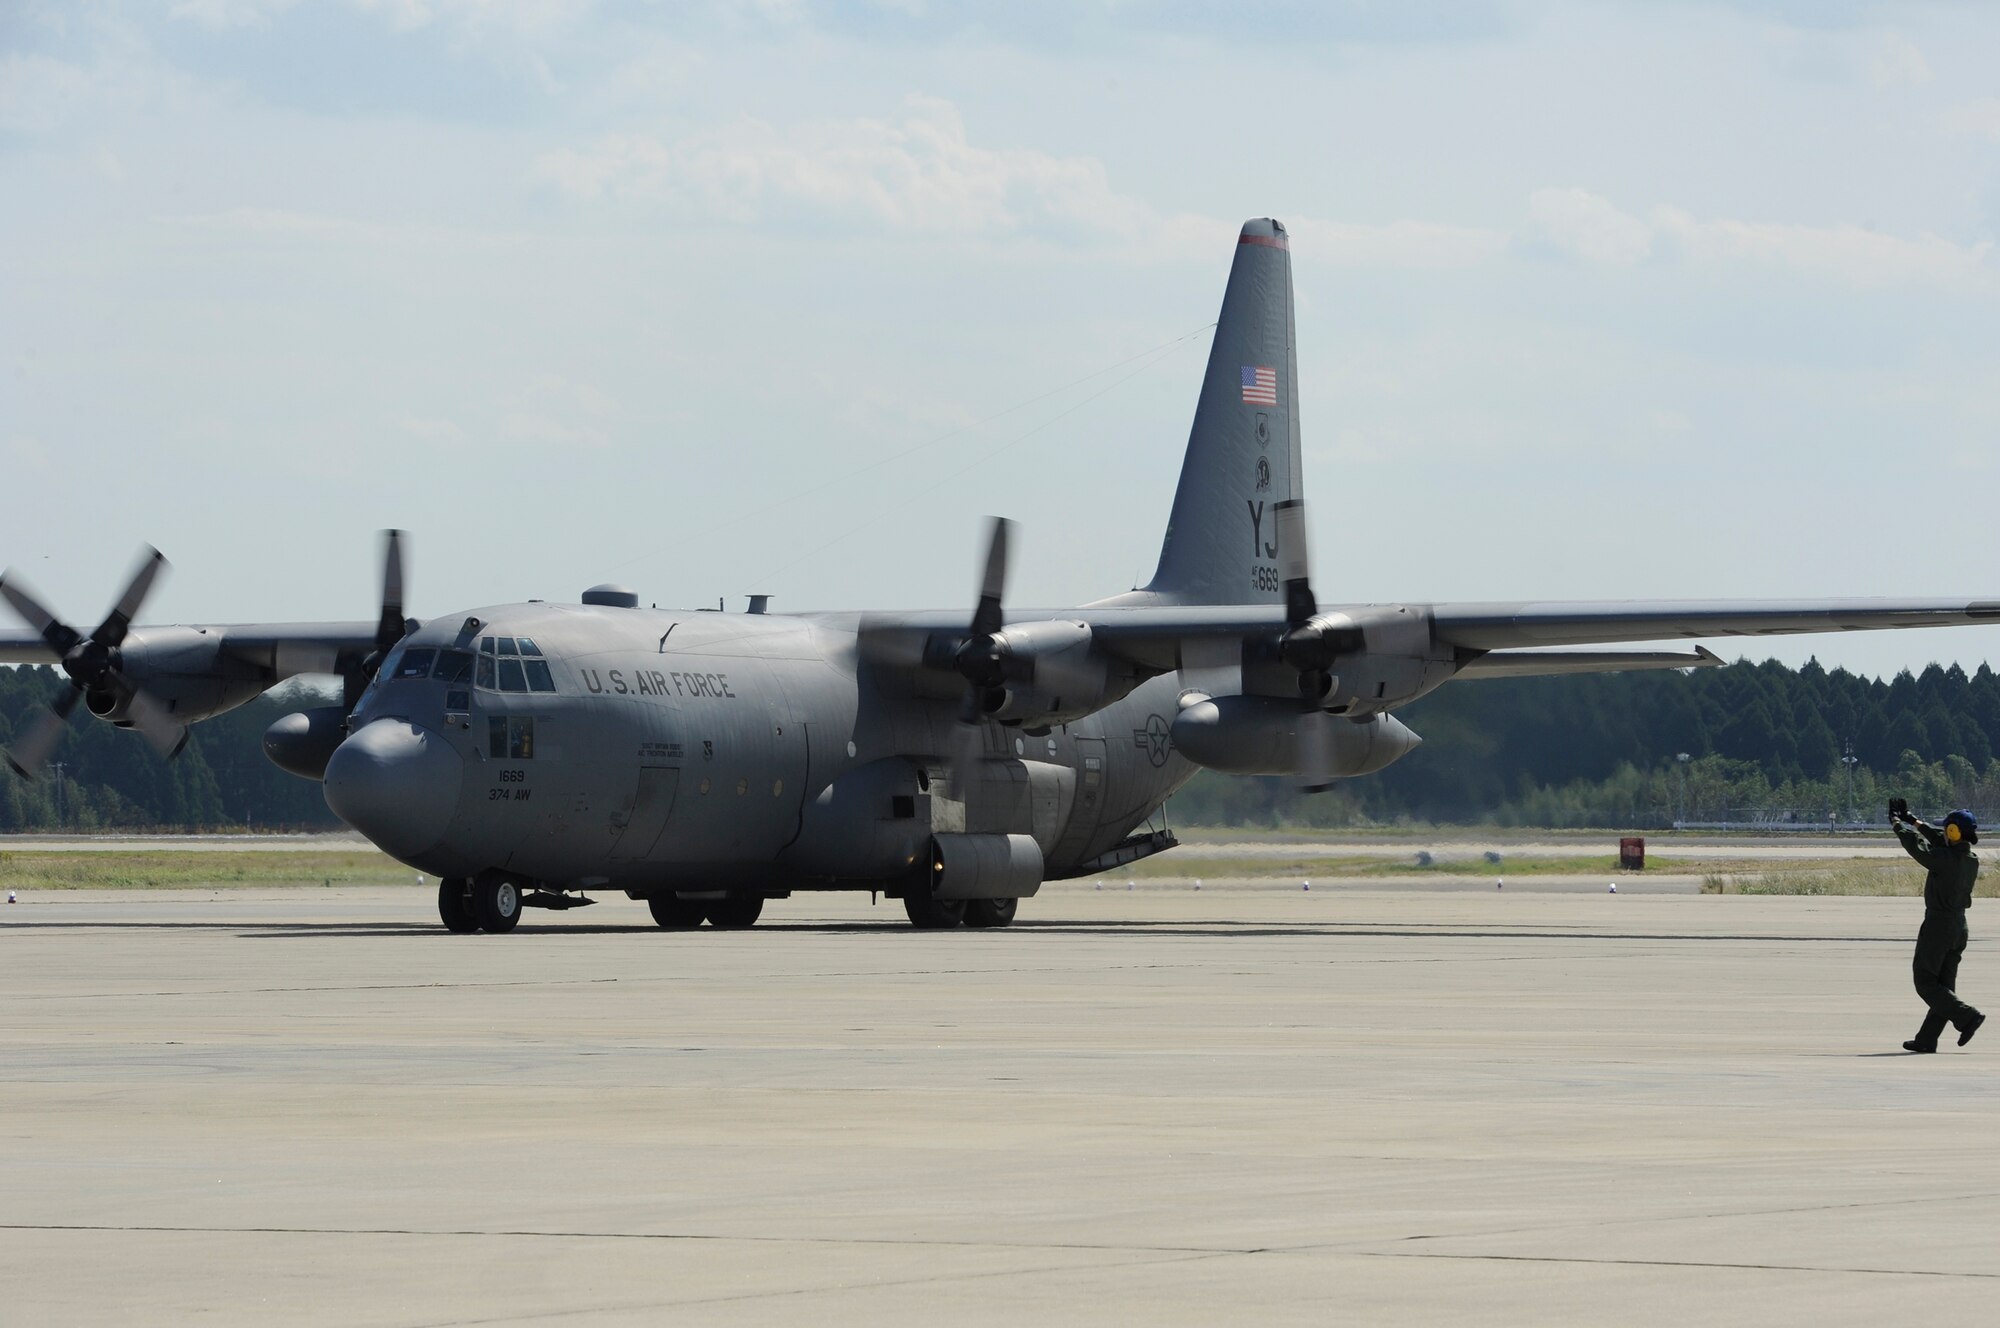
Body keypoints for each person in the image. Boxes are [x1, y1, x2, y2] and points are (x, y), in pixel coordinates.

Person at [1889, 799, 1985, 1053]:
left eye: (1947, 829)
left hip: (1939, 926)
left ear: (1953, 832)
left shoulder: (1945, 859)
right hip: (1959, 927)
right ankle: (1927, 1039)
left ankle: (1967, 1016)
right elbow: (1938, 840)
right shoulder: (1969, 859)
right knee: (1944, 988)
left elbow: (1919, 848)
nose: (1944, 832)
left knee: (1924, 981)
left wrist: (1898, 825)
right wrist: (1913, 820)